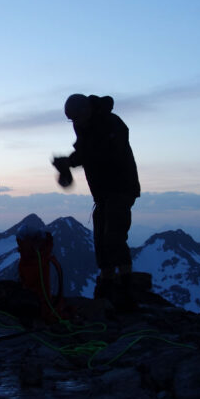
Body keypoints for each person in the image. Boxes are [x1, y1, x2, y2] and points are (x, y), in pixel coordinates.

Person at [52, 94, 140, 307]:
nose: (75, 123)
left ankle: (126, 289)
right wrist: (69, 162)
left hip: (121, 189)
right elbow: (86, 152)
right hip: (102, 194)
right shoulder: (85, 127)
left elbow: (105, 153)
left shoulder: (111, 124)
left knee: (114, 237)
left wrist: (72, 162)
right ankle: (107, 284)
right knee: (101, 239)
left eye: (76, 118)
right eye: (71, 120)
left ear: (86, 112)